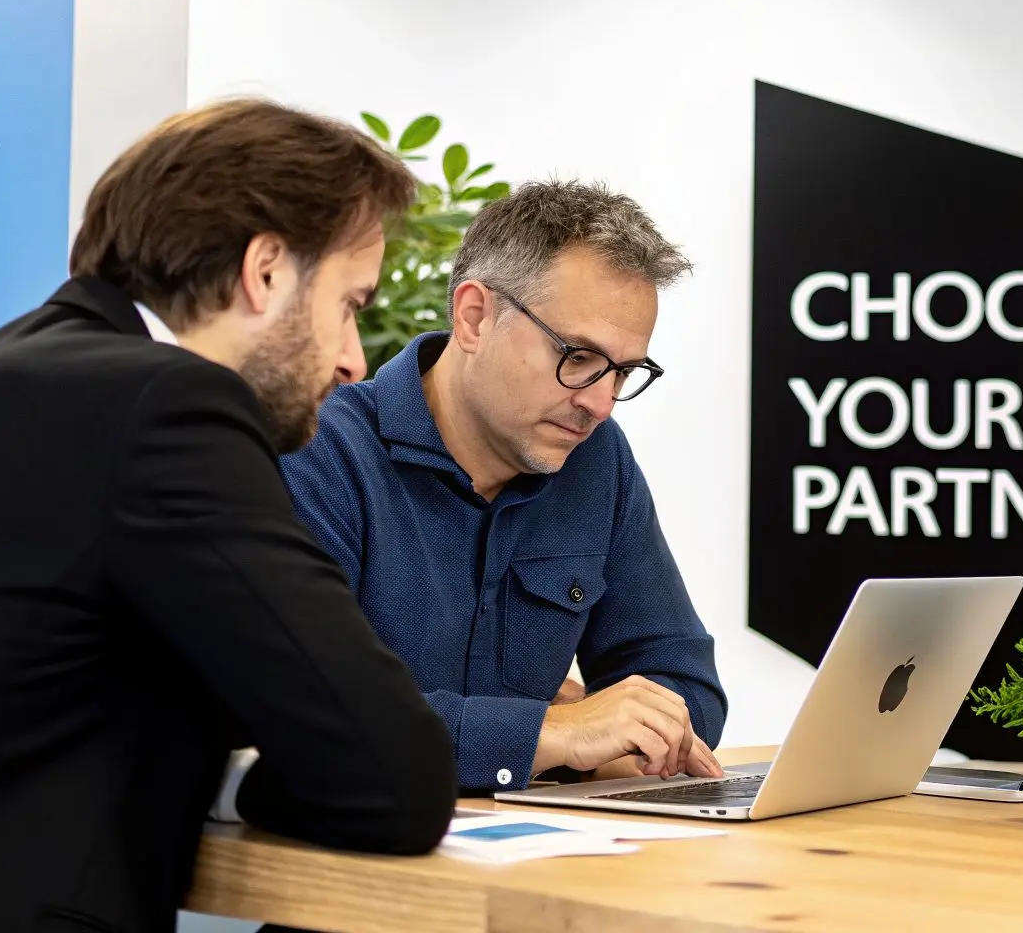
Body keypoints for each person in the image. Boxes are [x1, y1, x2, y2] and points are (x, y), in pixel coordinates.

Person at [0, 100, 457, 933]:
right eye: (350, 305)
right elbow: (396, 778)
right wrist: (279, 777)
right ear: (267, 271)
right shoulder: (167, 406)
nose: (354, 359)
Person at [277, 179, 727, 793]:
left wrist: (583, 732)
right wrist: (550, 731)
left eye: (623, 372)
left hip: (535, 839)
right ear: (474, 317)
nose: (600, 404)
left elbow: (684, 685)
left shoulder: (597, 460)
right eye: (578, 356)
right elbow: (311, 710)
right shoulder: (318, 452)